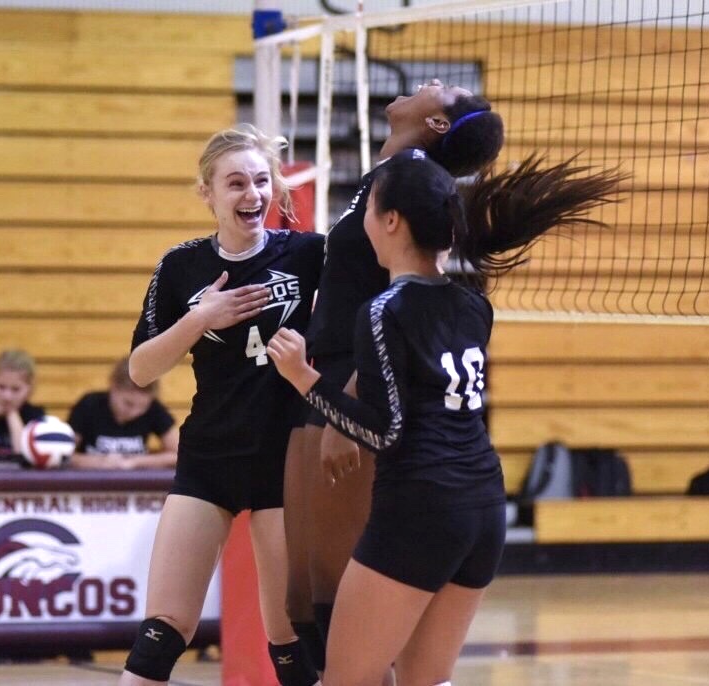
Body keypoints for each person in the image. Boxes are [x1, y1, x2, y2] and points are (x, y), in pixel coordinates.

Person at [268, 150, 622, 686]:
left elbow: (383, 430)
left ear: (390, 222)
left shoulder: (385, 311)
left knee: (345, 678)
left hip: (420, 508)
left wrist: (304, 379)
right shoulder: (473, 304)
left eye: (367, 206)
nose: (360, 215)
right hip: (483, 507)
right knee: (426, 680)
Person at [283, 78, 506, 674]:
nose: (431, 82)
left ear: (437, 123)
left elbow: (394, 314)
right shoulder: (389, 176)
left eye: (445, 87)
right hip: (331, 370)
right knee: (302, 599)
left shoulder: (406, 181)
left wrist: (345, 413)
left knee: (335, 600)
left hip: (354, 382)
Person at [117, 123, 324, 686]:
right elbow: (140, 369)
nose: (251, 195)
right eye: (235, 183)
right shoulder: (181, 265)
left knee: (289, 640)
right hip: (209, 458)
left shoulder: (311, 256)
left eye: (261, 181)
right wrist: (200, 318)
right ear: (207, 193)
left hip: (285, 461)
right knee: (161, 631)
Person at [67, 357, 179, 470]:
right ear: (113, 387)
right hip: (91, 482)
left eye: (143, 407)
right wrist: (99, 462)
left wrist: (136, 462)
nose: (135, 412)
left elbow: (179, 454)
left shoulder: (154, 409)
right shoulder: (89, 405)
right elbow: (65, 455)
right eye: (128, 404)